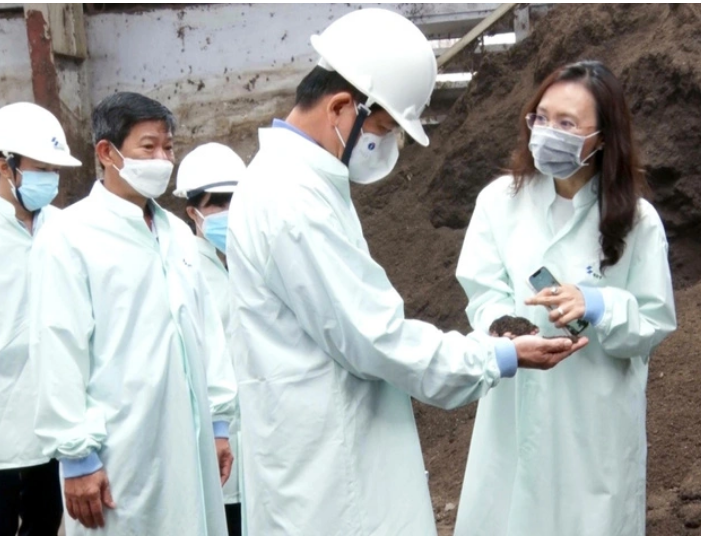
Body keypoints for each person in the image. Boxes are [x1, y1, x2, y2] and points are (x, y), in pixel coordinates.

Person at [227, 9, 588, 535]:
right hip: (333, 474)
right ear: (341, 107)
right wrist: (500, 355)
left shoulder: (298, 181)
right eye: (384, 128)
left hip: (317, 449)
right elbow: (377, 338)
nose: (388, 145)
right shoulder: (293, 200)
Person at [453, 60, 678, 536]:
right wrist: (507, 328)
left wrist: (598, 306)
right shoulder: (499, 202)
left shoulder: (638, 221)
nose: (548, 133)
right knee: (510, 510)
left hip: (593, 417)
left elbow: (654, 321)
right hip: (517, 395)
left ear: (602, 138)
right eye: (541, 118)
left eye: (567, 124)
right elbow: (482, 288)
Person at [28, 92, 237, 536]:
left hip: (190, 441)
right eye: (148, 146)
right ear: (107, 152)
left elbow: (207, 334)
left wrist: (219, 423)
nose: (163, 158)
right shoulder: (69, 236)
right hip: (119, 453)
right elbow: (58, 346)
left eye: (169, 147)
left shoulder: (178, 235)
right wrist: (77, 455)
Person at [0, 102, 81, 536]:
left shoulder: (64, 228)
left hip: (51, 413)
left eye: (54, 170)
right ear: (4, 166)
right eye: (40, 168)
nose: (50, 180)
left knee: (46, 520)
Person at [174, 142, 246, 536]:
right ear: (193, 213)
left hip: (257, 433)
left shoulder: (251, 261)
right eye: (217, 204)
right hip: (212, 433)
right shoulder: (186, 269)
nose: (228, 213)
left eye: (233, 200)